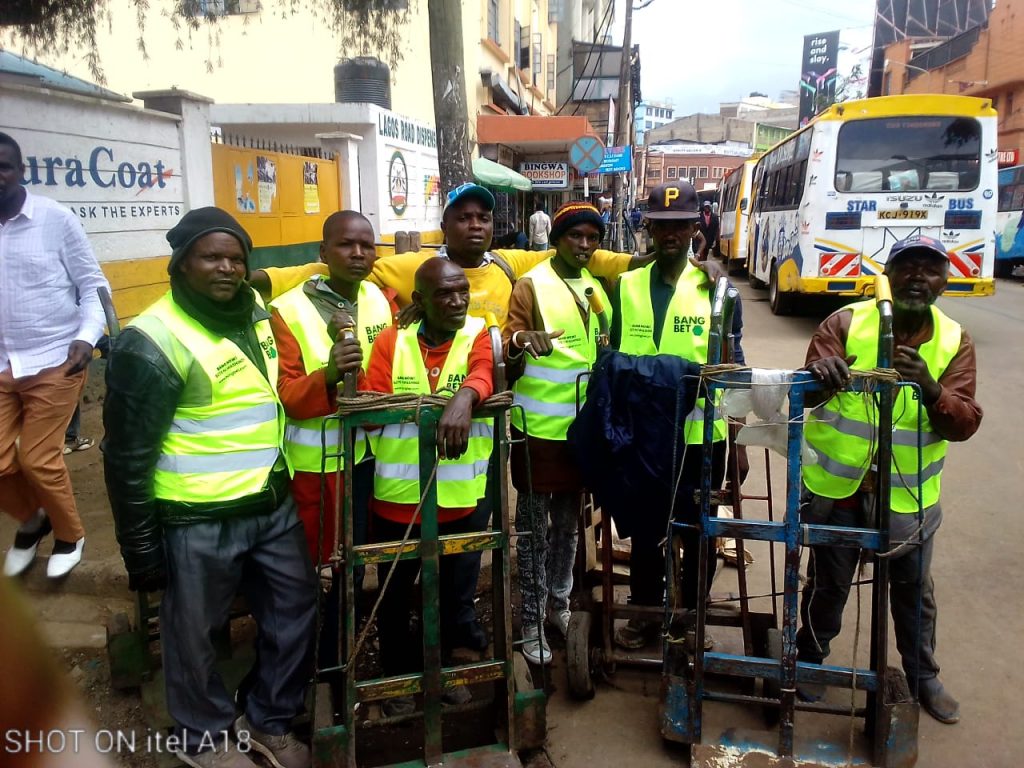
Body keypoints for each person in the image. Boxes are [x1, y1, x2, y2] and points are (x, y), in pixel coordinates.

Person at [103, 207, 316, 768]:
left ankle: (267, 717)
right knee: (193, 633)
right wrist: (141, 549)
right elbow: (124, 456)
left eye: (236, 258)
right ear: (181, 265)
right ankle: (205, 738)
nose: (226, 268)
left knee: (295, 609)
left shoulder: (257, 315)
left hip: (270, 503)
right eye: (211, 256)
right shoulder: (150, 341)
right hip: (195, 517)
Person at [797, 234, 981, 725]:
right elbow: (801, 395)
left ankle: (922, 676)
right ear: (889, 274)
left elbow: (963, 423)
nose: (917, 278)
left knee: (913, 590)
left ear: (944, 281)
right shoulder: (845, 322)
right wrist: (818, 373)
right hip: (839, 488)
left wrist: (931, 387)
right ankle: (811, 660)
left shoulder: (954, 340)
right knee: (828, 584)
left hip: (908, 498)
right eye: (907, 267)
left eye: (930, 269)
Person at [610, 181, 745, 650]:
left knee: (699, 530)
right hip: (643, 437)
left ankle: (689, 617)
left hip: (699, 437)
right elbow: (613, 358)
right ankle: (646, 611)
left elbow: (734, 369)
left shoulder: (718, 290)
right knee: (646, 528)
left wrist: (739, 440)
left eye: (680, 225)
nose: (671, 234)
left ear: (694, 228)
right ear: (648, 226)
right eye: (662, 225)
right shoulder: (625, 286)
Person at [364, 257, 494, 715]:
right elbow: (371, 401)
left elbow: (486, 369)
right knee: (395, 598)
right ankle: (398, 681)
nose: (457, 301)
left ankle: (444, 674)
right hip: (399, 502)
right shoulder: (391, 342)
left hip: (460, 501)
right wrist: (426, 406)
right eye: (444, 294)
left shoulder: (478, 332)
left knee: (450, 595)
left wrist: (464, 396)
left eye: (462, 291)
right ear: (419, 301)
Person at [504, 201, 610, 665]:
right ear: (556, 238)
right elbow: (510, 340)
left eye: (591, 238)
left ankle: (559, 606)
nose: (584, 245)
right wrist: (521, 342)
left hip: (580, 433)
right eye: (575, 237)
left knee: (569, 527)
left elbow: (603, 345)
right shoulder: (532, 285)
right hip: (536, 433)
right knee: (532, 529)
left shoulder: (594, 287)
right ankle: (530, 620)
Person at [0, 132, 110, 579]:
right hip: (3, 363)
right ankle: (33, 519)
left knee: (37, 458)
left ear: (21, 171)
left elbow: (92, 284)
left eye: (3, 167)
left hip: (56, 358)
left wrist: (87, 337)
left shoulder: (54, 219)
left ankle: (70, 534)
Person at [269, 210, 396, 567]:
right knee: (320, 562)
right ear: (323, 253)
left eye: (366, 246)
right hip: (319, 466)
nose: (358, 253)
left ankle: (355, 623)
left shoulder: (378, 299)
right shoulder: (286, 311)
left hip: (374, 454)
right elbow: (286, 394)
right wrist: (328, 375)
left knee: (359, 557)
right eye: (346, 245)